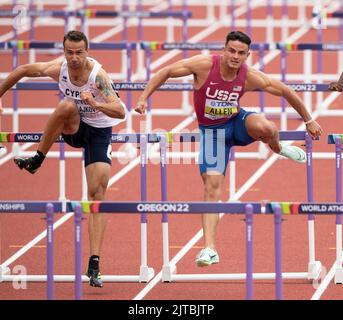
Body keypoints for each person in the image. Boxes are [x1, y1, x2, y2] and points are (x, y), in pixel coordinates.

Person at [135, 30, 323, 267]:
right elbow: (166, 72)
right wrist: (143, 98)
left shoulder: (249, 76)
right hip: (213, 133)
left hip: (238, 123)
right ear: (224, 50)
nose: (235, 56)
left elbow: (285, 90)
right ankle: (209, 249)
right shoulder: (204, 65)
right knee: (212, 188)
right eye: (231, 51)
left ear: (247, 55)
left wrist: (309, 120)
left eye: (241, 53)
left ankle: (278, 148)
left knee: (267, 126)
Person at [0, 30, 127, 287]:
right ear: (64, 51)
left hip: (99, 133)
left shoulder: (97, 76)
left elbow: (120, 111)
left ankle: (94, 263)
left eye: (79, 52)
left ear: (87, 51)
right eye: (69, 52)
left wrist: (96, 102)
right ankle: (37, 158)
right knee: (67, 106)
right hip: (74, 127)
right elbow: (23, 69)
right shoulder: (60, 68)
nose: (74, 58)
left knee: (97, 194)